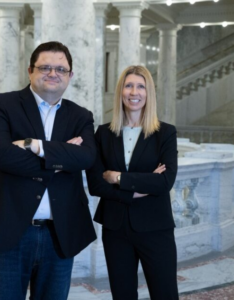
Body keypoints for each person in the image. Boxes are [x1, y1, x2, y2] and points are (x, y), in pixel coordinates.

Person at [0, 41, 97, 300]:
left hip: (59, 233)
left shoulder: (80, 116)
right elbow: (2, 156)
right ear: (30, 71)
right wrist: (61, 157)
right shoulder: (2, 105)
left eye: (61, 69)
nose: (53, 73)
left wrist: (33, 146)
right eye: (45, 67)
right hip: (9, 229)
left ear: (70, 75)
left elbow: (86, 158)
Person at [86, 65, 179, 300]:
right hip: (115, 228)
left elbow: (164, 182)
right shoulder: (104, 133)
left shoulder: (165, 133)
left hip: (155, 227)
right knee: (122, 295)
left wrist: (118, 178)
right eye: (128, 85)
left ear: (149, 93)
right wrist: (138, 188)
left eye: (140, 86)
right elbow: (96, 184)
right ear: (121, 91)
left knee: (165, 294)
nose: (133, 92)